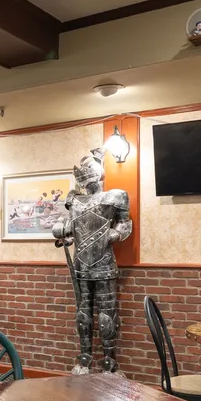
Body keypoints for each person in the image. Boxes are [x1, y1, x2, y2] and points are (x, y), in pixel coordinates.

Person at [52, 148, 132, 374]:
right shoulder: (74, 200)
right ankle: (85, 358)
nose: (87, 182)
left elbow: (125, 224)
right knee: (83, 313)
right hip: (81, 263)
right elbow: (73, 226)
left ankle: (110, 363)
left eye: (89, 174)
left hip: (105, 262)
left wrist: (111, 235)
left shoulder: (115, 196)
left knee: (107, 314)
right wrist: (61, 229)